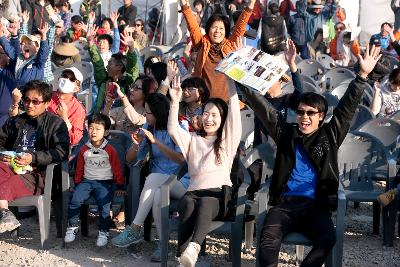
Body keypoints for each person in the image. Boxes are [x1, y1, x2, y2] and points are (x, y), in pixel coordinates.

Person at [240, 45, 381, 267]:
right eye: (300, 112)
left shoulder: (330, 135)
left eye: (310, 113)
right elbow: (263, 108)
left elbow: (346, 109)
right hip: (285, 204)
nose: (304, 117)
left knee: (327, 238)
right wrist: (240, 78)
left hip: (315, 205)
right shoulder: (286, 134)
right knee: (267, 239)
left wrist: (362, 76)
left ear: (321, 116)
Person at [167, 73, 241, 266]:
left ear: (222, 119)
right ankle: (182, 254)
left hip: (219, 195)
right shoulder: (193, 140)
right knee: (188, 203)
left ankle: (194, 247)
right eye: (206, 113)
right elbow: (173, 130)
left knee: (206, 201)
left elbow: (234, 110)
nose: (209, 119)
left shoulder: (227, 141)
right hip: (193, 193)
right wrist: (175, 102)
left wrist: (230, 82)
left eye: (215, 115)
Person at [111, 93, 190, 261]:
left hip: (180, 181)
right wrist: (136, 144)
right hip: (158, 186)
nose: (145, 116)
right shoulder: (149, 126)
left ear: (158, 113)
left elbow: (181, 159)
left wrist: (155, 142)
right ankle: (164, 245)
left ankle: (135, 228)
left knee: (153, 178)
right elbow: (130, 159)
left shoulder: (179, 126)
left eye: (148, 112)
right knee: (157, 196)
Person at [0, 80, 69, 233]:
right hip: (11, 166)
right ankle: (5, 214)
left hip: (37, 174)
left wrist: (33, 157)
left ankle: (5, 215)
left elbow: (62, 152)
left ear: (47, 103)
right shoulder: (17, 121)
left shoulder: (56, 124)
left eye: (35, 101)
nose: (29, 105)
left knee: (9, 182)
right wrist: (3, 155)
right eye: (26, 100)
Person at [64, 113, 125, 247]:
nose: (93, 132)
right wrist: (78, 184)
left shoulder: (109, 149)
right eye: (91, 128)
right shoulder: (84, 149)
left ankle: (103, 231)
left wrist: (120, 186)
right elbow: (79, 167)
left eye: (98, 129)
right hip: (87, 181)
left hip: (105, 182)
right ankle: (73, 226)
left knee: (104, 205)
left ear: (106, 132)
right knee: (75, 199)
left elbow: (117, 169)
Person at [180, 0, 256, 101]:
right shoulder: (201, 43)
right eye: (214, 27)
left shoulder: (230, 44)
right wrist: (185, 5)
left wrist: (251, 4)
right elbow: (192, 26)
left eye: (221, 29)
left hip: (226, 103)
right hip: (204, 102)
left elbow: (240, 26)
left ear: (226, 32)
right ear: (208, 29)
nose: (217, 31)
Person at [0, 21, 49, 127]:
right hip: (20, 97)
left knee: (31, 123)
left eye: (29, 43)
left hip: (33, 96)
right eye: (23, 44)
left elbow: (44, 53)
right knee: (17, 122)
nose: (25, 45)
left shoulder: (38, 62)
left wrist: (44, 37)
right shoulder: (18, 58)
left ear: (36, 48)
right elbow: (9, 49)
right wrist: (1, 36)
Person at [87, 28, 138, 113]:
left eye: (110, 63)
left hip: (121, 120)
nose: (106, 66)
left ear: (119, 67)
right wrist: (90, 43)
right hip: (102, 118)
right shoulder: (104, 81)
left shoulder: (128, 82)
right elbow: (98, 64)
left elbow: (132, 67)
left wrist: (131, 47)